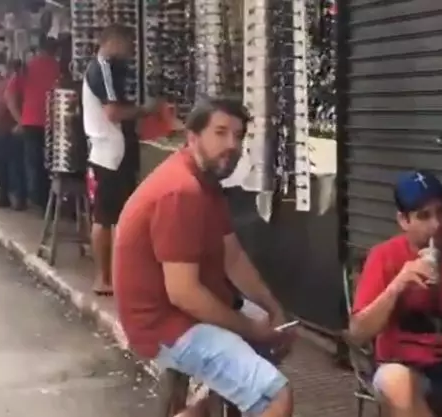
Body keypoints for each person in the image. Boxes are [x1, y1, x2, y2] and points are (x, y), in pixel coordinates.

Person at [113, 98, 294, 417]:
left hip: (185, 312)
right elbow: (184, 293)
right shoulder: (182, 191)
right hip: (165, 325)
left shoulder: (206, 182)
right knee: (276, 397)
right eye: (220, 133)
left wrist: (273, 308)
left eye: (238, 136)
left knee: (276, 332)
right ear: (193, 137)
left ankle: (203, 407)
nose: (232, 145)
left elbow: (233, 257)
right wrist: (251, 329)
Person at [350, 170, 442, 417]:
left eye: (441, 212)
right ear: (403, 220)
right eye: (424, 216)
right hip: (408, 370)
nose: (437, 224)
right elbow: (358, 333)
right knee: (394, 381)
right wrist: (397, 286)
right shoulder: (384, 256)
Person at [82, 24, 159, 295]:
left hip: (107, 152)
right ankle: (105, 278)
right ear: (114, 42)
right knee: (108, 218)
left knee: (109, 217)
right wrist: (145, 111)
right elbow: (113, 113)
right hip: (110, 155)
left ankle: (111, 277)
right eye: (128, 44)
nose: (130, 50)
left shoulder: (102, 68)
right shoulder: (102, 68)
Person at [5, 36, 60, 209]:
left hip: (31, 123)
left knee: (34, 163)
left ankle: (38, 199)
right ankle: (48, 201)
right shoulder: (59, 67)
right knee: (53, 164)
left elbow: (9, 96)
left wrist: (20, 119)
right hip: (55, 124)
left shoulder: (26, 68)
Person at [0, 59, 27, 210]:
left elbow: (10, 103)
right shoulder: (3, 83)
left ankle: (16, 197)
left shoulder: (16, 84)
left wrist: (20, 122)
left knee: (13, 165)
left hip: (9, 128)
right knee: (4, 165)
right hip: (0, 128)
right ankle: (6, 196)